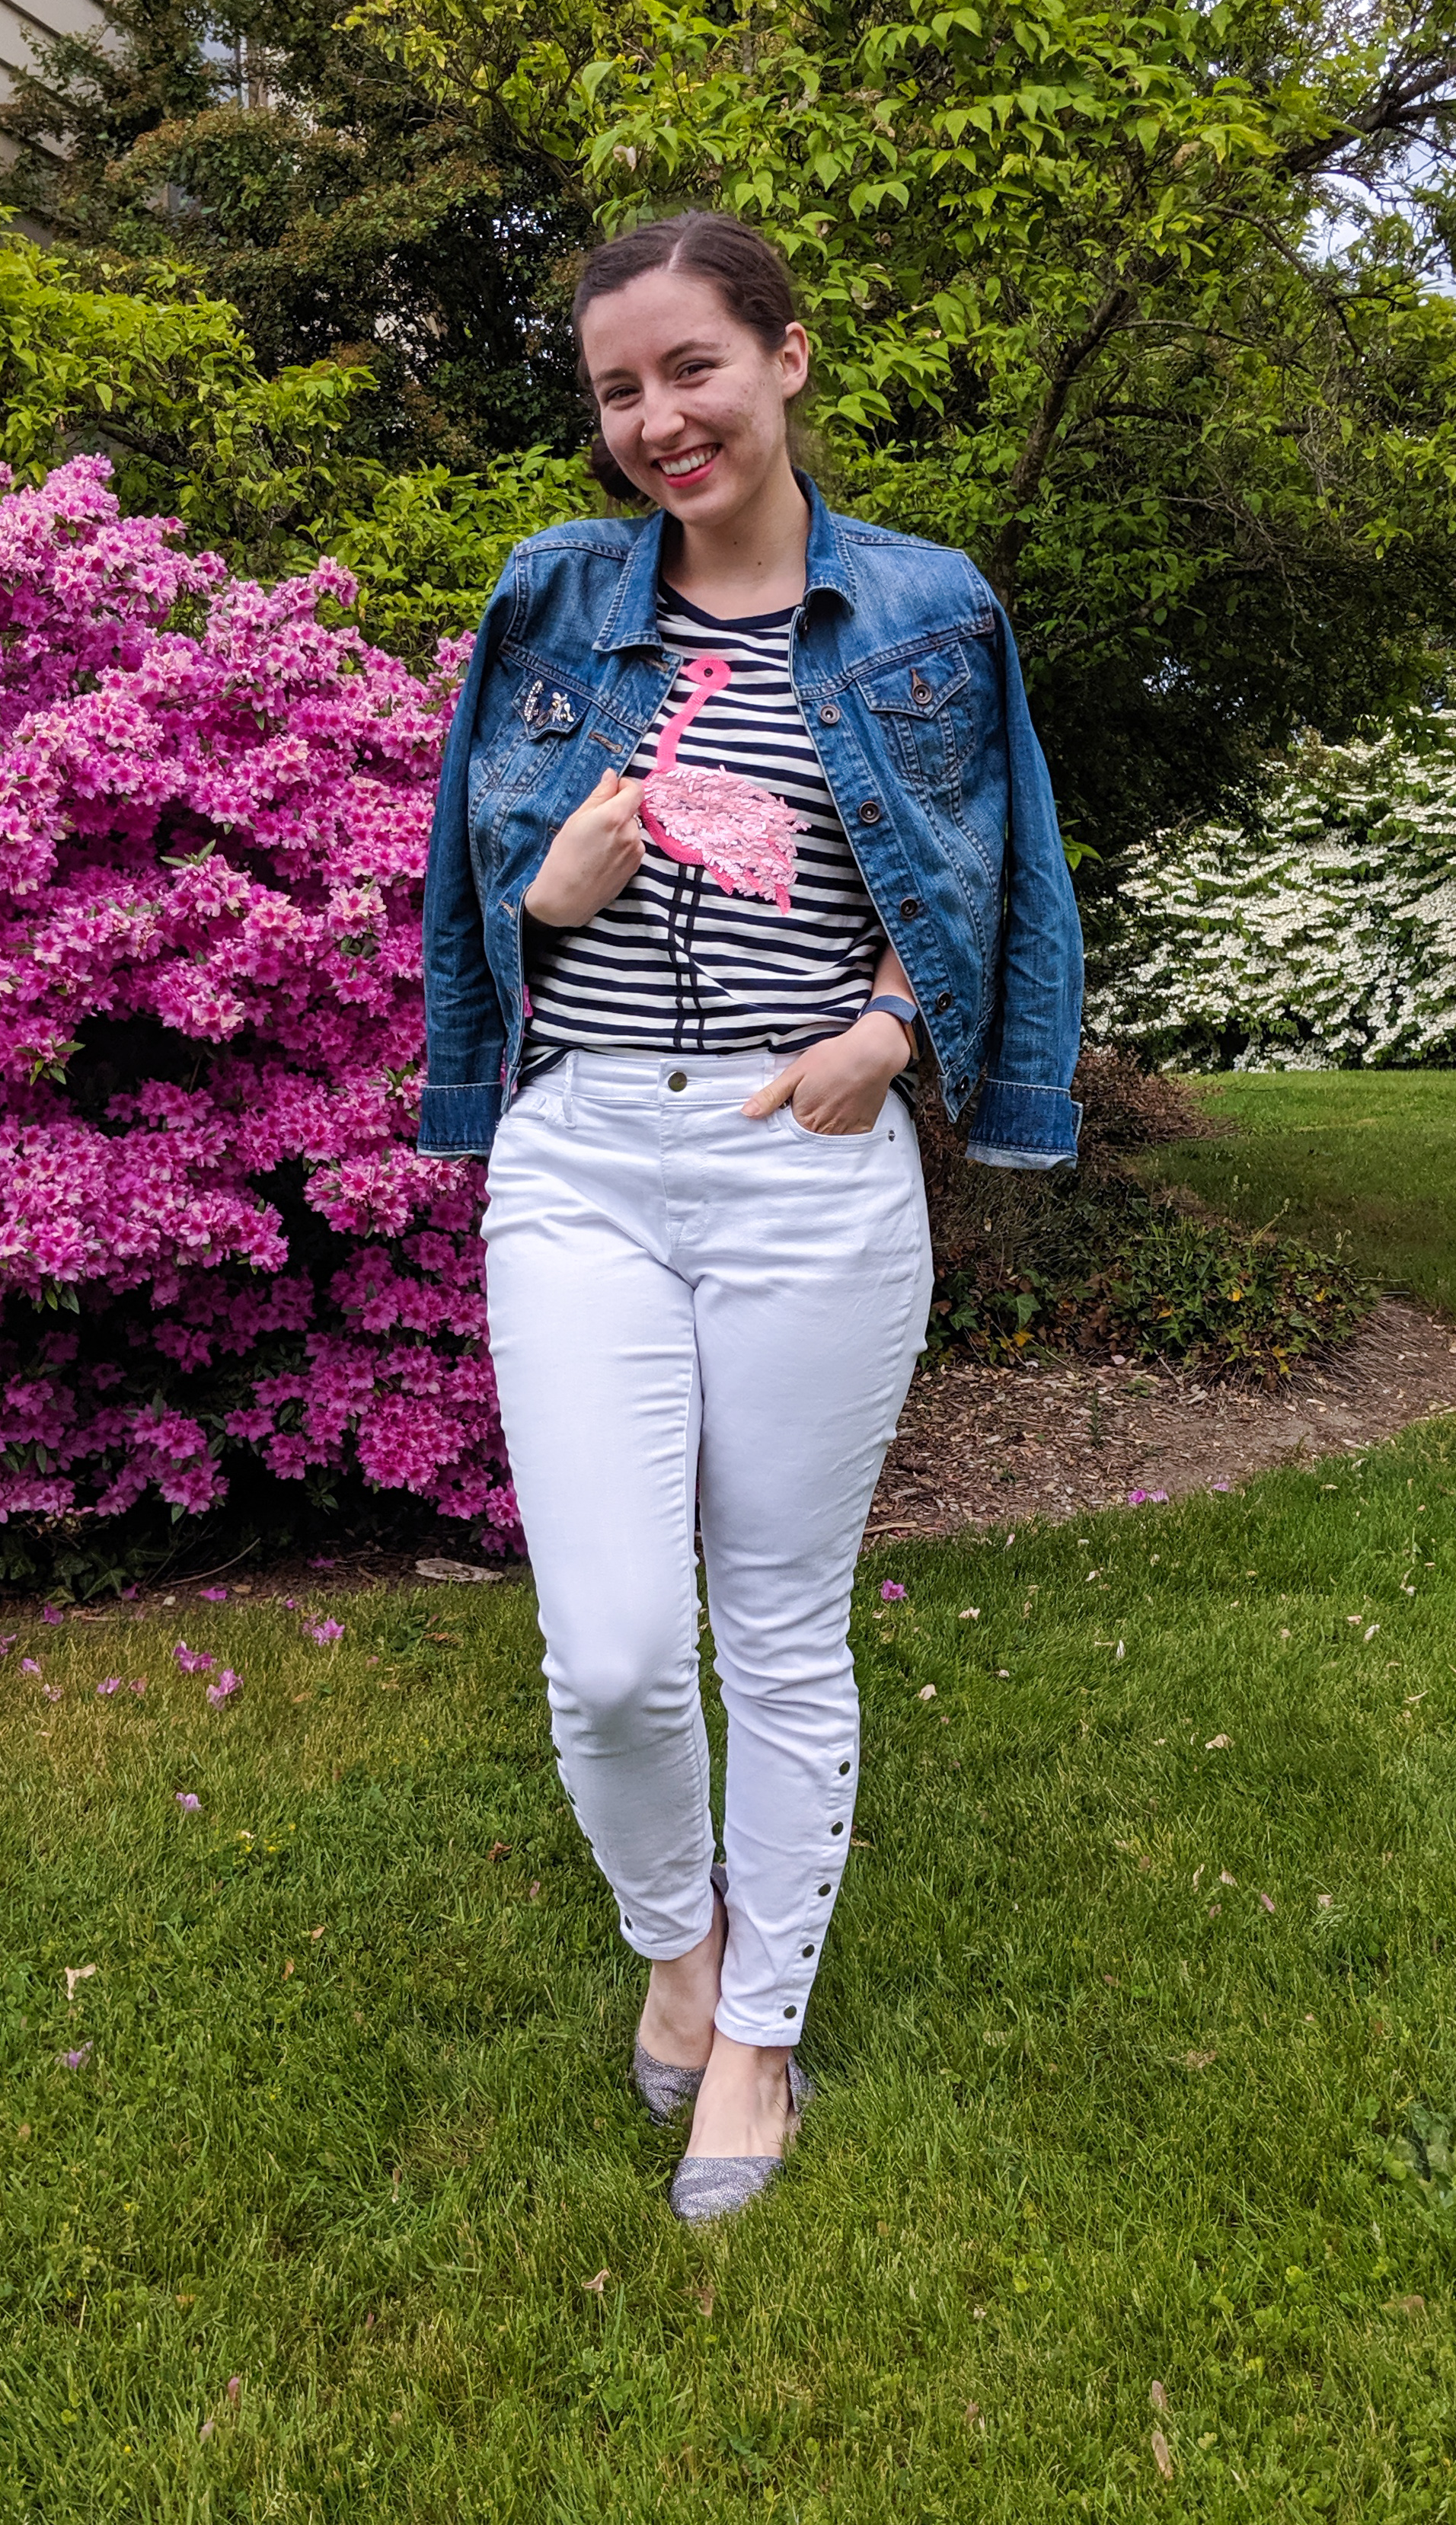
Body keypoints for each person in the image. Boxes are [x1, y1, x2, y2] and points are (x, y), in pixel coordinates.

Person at [420, 209, 1083, 2222]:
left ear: (786, 358)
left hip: (808, 1158)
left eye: (692, 367)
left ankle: (762, 2032)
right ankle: (677, 1942)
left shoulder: (925, 607)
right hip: (588, 1158)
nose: (656, 419)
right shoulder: (550, 601)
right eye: (620, 387)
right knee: (616, 1650)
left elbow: (996, 864)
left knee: (779, 1626)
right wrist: (547, 901)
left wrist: (897, 1027)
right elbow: (471, 876)